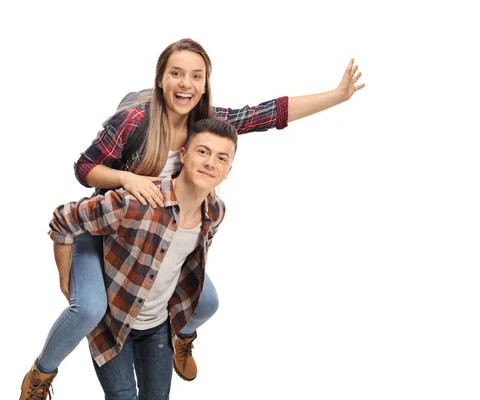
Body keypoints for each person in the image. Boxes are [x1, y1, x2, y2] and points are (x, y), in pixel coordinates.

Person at [20, 37, 365, 397]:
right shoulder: (136, 120)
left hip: (159, 231)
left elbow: (267, 114)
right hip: (109, 224)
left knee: (207, 301)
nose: (186, 84)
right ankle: (42, 374)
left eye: (196, 76)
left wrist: (337, 96)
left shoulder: (207, 124)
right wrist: (126, 178)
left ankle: (179, 338)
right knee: (90, 308)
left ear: (205, 84)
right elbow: (84, 168)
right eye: (176, 74)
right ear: (161, 78)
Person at [21, 118, 238, 400]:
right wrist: (66, 278)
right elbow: (63, 220)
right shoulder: (136, 203)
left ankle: (183, 340)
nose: (210, 163)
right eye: (203, 152)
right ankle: (42, 372)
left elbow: (190, 262)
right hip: (114, 327)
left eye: (221, 158)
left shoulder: (215, 212)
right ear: (182, 155)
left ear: (228, 170)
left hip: (157, 327)